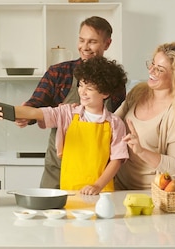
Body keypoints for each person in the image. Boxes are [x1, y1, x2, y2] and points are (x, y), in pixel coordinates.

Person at [0, 57, 128, 195]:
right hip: (69, 189)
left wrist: (97, 186)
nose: (82, 92)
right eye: (80, 85)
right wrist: (3, 110)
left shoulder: (115, 123)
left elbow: (117, 159)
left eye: (90, 88)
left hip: (101, 192)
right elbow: (35, 112)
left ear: (105, 93)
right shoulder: (67, 113)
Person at [19, 16, 126, 189]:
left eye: (92, 42)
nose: (85, 47)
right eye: (81, 40)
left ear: (107, 44)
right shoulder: (58, 72)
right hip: (59, 166)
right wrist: (22, 115)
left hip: (97, 171)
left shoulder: (113, 80)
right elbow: (35, 106)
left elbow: (118, 119)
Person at [113, 42, 175, 190]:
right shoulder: (138, 92)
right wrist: (80, 111)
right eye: (152, 64)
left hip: (148, 194)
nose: (151, 71)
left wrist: (141, 151)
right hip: (116, 186)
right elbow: (111, 122)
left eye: (159, 69)